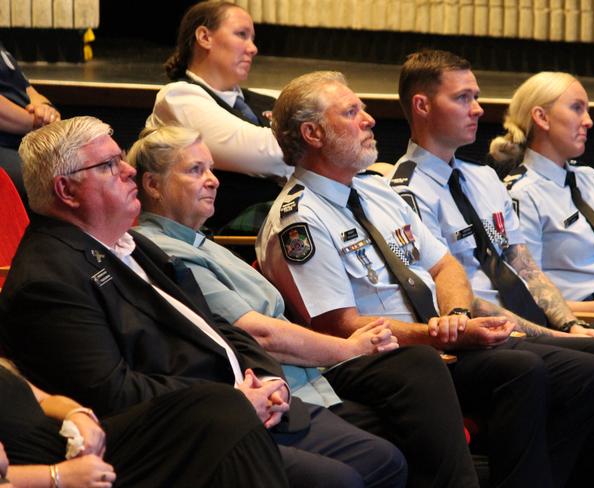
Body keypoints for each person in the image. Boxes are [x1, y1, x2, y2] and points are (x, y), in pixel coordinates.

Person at [256, 70, 594, 488]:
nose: (369, 119)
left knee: (590, 372)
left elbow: (445, 266)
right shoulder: (299, 220)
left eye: (362, 107)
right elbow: (336, 325)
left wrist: (453, 316)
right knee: (520, 369)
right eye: (351, 111)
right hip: (379, 357)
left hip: (437, 339)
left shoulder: (375, 192)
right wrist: (441, 334)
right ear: (313, 133)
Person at [0, 116, 408, 488]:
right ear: (66, 190)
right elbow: (114, 392)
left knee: (385, 457)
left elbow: (216, 325)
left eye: (121, 160)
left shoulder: (131, 244)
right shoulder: (48, 278)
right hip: (185, 434)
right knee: (341, 480)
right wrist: (232, 396)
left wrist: (267, 379)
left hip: (246, 401)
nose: (128, 172)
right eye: (108, 166)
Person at [129, 124, 480, 487]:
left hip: (307, 379)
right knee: (408, 405)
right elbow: (260, 333)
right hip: (281, 389)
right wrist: (351, 347)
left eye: (211, 169)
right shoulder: (165, 251)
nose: (214, 180)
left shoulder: (201, 242)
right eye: (195, 170)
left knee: (420, 415)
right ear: (153, 185)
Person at [389, 50, 594, 486]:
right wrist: (557, 334)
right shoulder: (405, 191)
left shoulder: (482, 178)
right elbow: (462, 295)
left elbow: (523, 266)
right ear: (423, 106)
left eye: (477, 96)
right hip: (482, 330)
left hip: (527, 318)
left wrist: (569, 322)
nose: (479, 109)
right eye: (464, 98)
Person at [489, 71, 594, 317]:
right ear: (542, 117)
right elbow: (528, 295)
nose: (588, 121)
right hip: (581, 317)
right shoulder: (521, 193)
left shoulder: (588, 178)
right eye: (577, 108)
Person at [0, 358, 288, 487]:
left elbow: (41, 399)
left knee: (221, 403)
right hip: (46, 471)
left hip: (78, 447)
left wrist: (78, 414)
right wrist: (57, 477)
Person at [147, 0, 291, 232]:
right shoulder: (178, 98)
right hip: (224, 241)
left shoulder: (263, 99)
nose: (252, 48)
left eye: (252, 38)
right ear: (204, 37)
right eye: (241, 34)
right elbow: (269, 152)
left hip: (276, 229)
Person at [0, 41, 60, 205]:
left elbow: (28, 89)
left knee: (94, 162)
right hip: (5, 143)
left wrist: (46, 109)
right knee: (50, 178)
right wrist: (37, 123)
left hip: (29, 135)